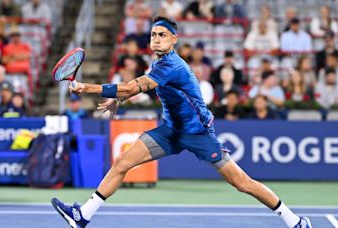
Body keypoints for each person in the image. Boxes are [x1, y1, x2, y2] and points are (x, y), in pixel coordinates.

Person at [51, 16, 312, 228]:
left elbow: (131, 87)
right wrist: (118, 101)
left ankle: (295, 221)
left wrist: (86, 87)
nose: (156, 39)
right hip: (170, 130)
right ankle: (82, 215)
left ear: (174, 40)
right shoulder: (157, 65)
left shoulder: (172, 66)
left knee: (241, 182)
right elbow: (139, 88)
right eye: (153, 35)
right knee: (122, 162)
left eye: (162, 35)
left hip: (198, 133)